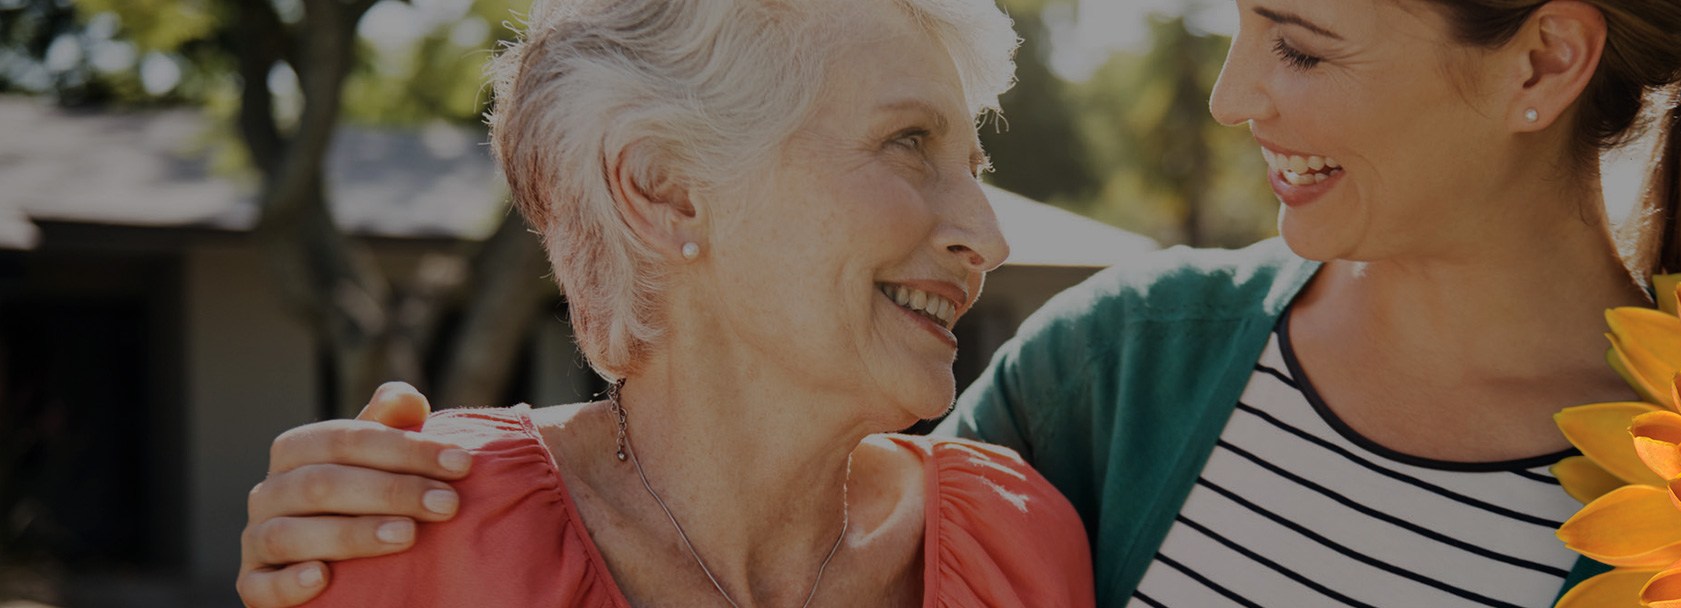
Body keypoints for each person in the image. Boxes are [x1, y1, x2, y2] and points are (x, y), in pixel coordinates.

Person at [237, 0, 1681, 606]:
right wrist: (361, 514)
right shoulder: (1125, 369)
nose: (1227, 98)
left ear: (1545, 63)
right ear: (667, 191)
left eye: (1304, 45)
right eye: (909, 145)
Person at [234, 0, 1098, 605]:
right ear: (665, 191)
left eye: (975, 174)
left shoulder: (1016, 546)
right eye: (909, 142)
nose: (986, 236)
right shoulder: (413, 533)